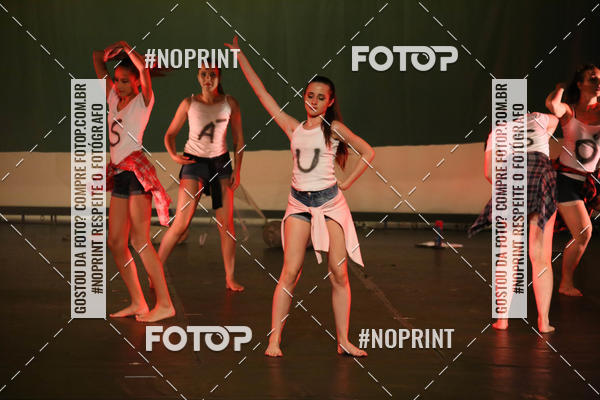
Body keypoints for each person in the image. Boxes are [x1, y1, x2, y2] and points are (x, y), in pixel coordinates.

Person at [225, 36, 375, 357]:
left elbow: (368, 152)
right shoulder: (293, 128)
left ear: (330, 102)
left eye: (321, 97)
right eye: (310, 96)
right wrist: (240, 57)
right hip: (299, 205)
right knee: (290, 271)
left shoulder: (334, 129)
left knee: (339, 273)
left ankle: (343, 340)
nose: (314, 101)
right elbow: (263, 95)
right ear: (304, 97)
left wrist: (348, 183)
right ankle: (274, 340)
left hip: (330, 204)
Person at [93, 40, 175, 322]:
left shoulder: (143, 101)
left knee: (140, 240)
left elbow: (142, 67)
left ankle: (165, 303)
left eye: (125, 81)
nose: (118, 85)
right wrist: (110, 51)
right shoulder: (113, 98)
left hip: (136, 174)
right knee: (116, 241)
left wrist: (127, 48)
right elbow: (97, 58)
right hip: (120, 174)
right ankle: (139, 302)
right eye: (116, 80)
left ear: (138, 82)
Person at [157, 61, 245, 291]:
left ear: (219, 77)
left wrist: (237, 171)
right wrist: (174, 156)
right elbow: (169, 134)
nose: (208, 79)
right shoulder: (189, 103)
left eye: (213, 74)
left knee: (226, 225)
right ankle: (154, 273)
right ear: (198, 77)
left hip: (220, 164)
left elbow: (239, 140)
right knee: (181, 223)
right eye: (204, 74)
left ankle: (230, 278)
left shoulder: (230, 103)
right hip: (194, 164)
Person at [469, 112, 559, 333]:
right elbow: (557, 119)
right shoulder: (539, 118)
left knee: (508, 255)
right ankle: (544, 322)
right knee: (540, 256)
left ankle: (502, 320)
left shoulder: (497, 132)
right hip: (541, 177)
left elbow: (489, 172)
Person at [545, 64, 600, 297]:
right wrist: (560, 88)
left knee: (583, 233)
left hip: (591, 181)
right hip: (566, 180)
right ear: (580, 83)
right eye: (593, 78)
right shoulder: (570, 111)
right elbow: (552, 105)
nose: (598, 82)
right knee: (584, 232)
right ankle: (565, 283)